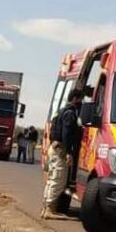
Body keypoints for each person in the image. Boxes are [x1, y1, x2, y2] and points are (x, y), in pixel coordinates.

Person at [42, 89, 82, 219]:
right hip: (60, 150)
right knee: (59, 180)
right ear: (75, 98)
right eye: (81, 99)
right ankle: (49, 209)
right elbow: (67, 134)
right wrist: (69, 153)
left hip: (54, 147)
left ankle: (47, 208)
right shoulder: (70, 113)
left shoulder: (60, 111)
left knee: (52, 179)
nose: (81, 102)